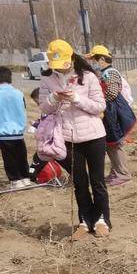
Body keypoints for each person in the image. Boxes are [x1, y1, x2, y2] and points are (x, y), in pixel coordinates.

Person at [39, 39, 111, 238]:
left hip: (94, 136)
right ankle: (84, 221)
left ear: (71, 57)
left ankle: (102, 220)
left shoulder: (88, 77)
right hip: (67, 138)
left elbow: (100, 106)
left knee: (97, 181)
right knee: (79, 181)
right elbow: (44, 108)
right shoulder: (47, 80)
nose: (61, 70)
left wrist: (76, 99)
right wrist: (54, 98)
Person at [87, 45, 136, 186]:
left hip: (112, 113)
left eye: (95, 59)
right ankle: (116, 172)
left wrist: (97, 99)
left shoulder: (110, 73)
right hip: (108, 113)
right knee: (109, 145)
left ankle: (123, 173)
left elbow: (112, 92)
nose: (93, 62)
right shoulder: (104, 73)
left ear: (102, 59)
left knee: (115, 144)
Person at [0, 66, 30, 189]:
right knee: (21, 156)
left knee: (9, 158)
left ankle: (15, 179)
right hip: (18, 131)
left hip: (3, 132)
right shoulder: (19, 93)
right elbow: (23, 108)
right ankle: (26, 178)